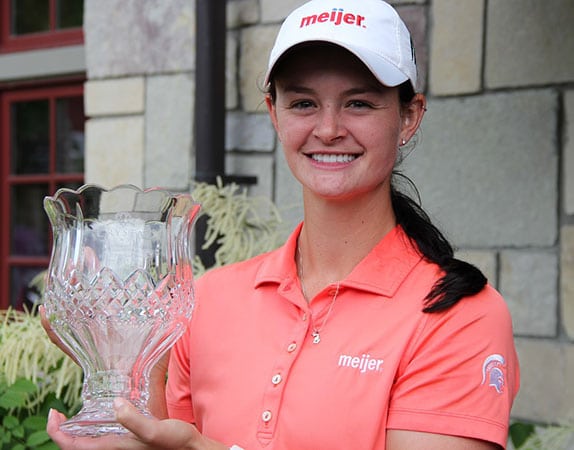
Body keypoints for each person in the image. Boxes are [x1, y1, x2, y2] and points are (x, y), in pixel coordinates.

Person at [43, 0, 520, 448]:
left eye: (359, 103)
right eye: (303, 103)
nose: (329, 128)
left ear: (409, 116)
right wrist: (128, 368)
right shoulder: (203, 302)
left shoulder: (457, 315)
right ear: (273, 112)